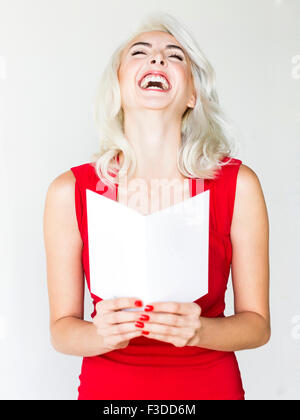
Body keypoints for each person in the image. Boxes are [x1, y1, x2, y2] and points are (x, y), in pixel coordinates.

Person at [43, 12, 270, 400]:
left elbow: (258, 325)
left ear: (192, 94)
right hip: (110, 391)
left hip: (208, 385)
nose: (158, 59)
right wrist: (99, 334)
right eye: (140, 52)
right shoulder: (69, 192)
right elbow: (62, 330)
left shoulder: (239, 186)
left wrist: (203, 331)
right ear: (117, 85)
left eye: (175, 55)